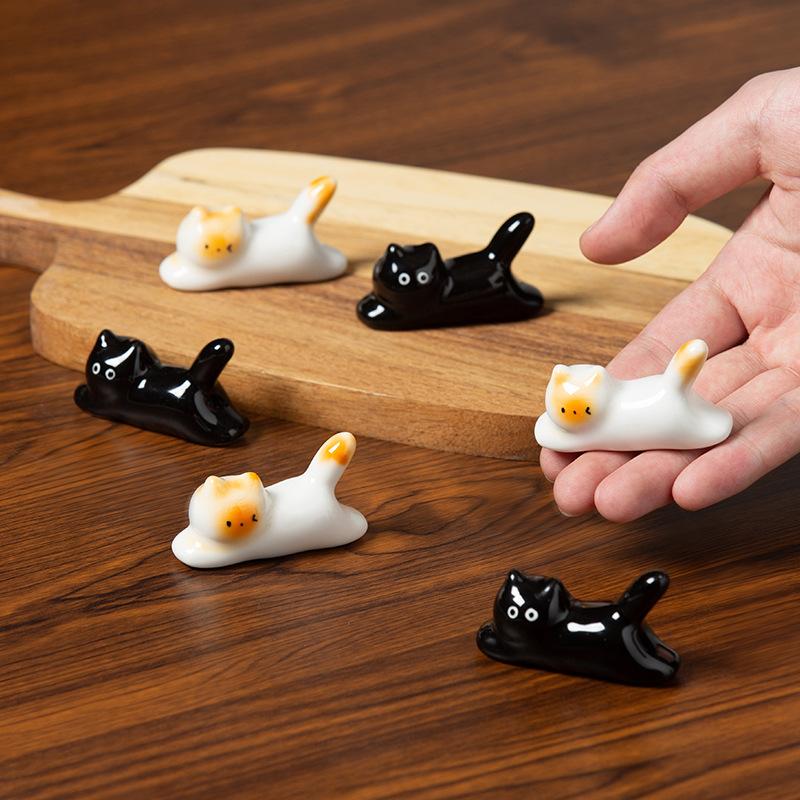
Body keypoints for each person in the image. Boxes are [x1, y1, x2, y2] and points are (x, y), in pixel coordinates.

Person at [540, 68, 800, 521]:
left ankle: (683, 405)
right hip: (667, 404)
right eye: (569, 410)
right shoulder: (568, 425)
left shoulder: (594, 417)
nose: (573, 416)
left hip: (671, 408)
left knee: (676, 412)